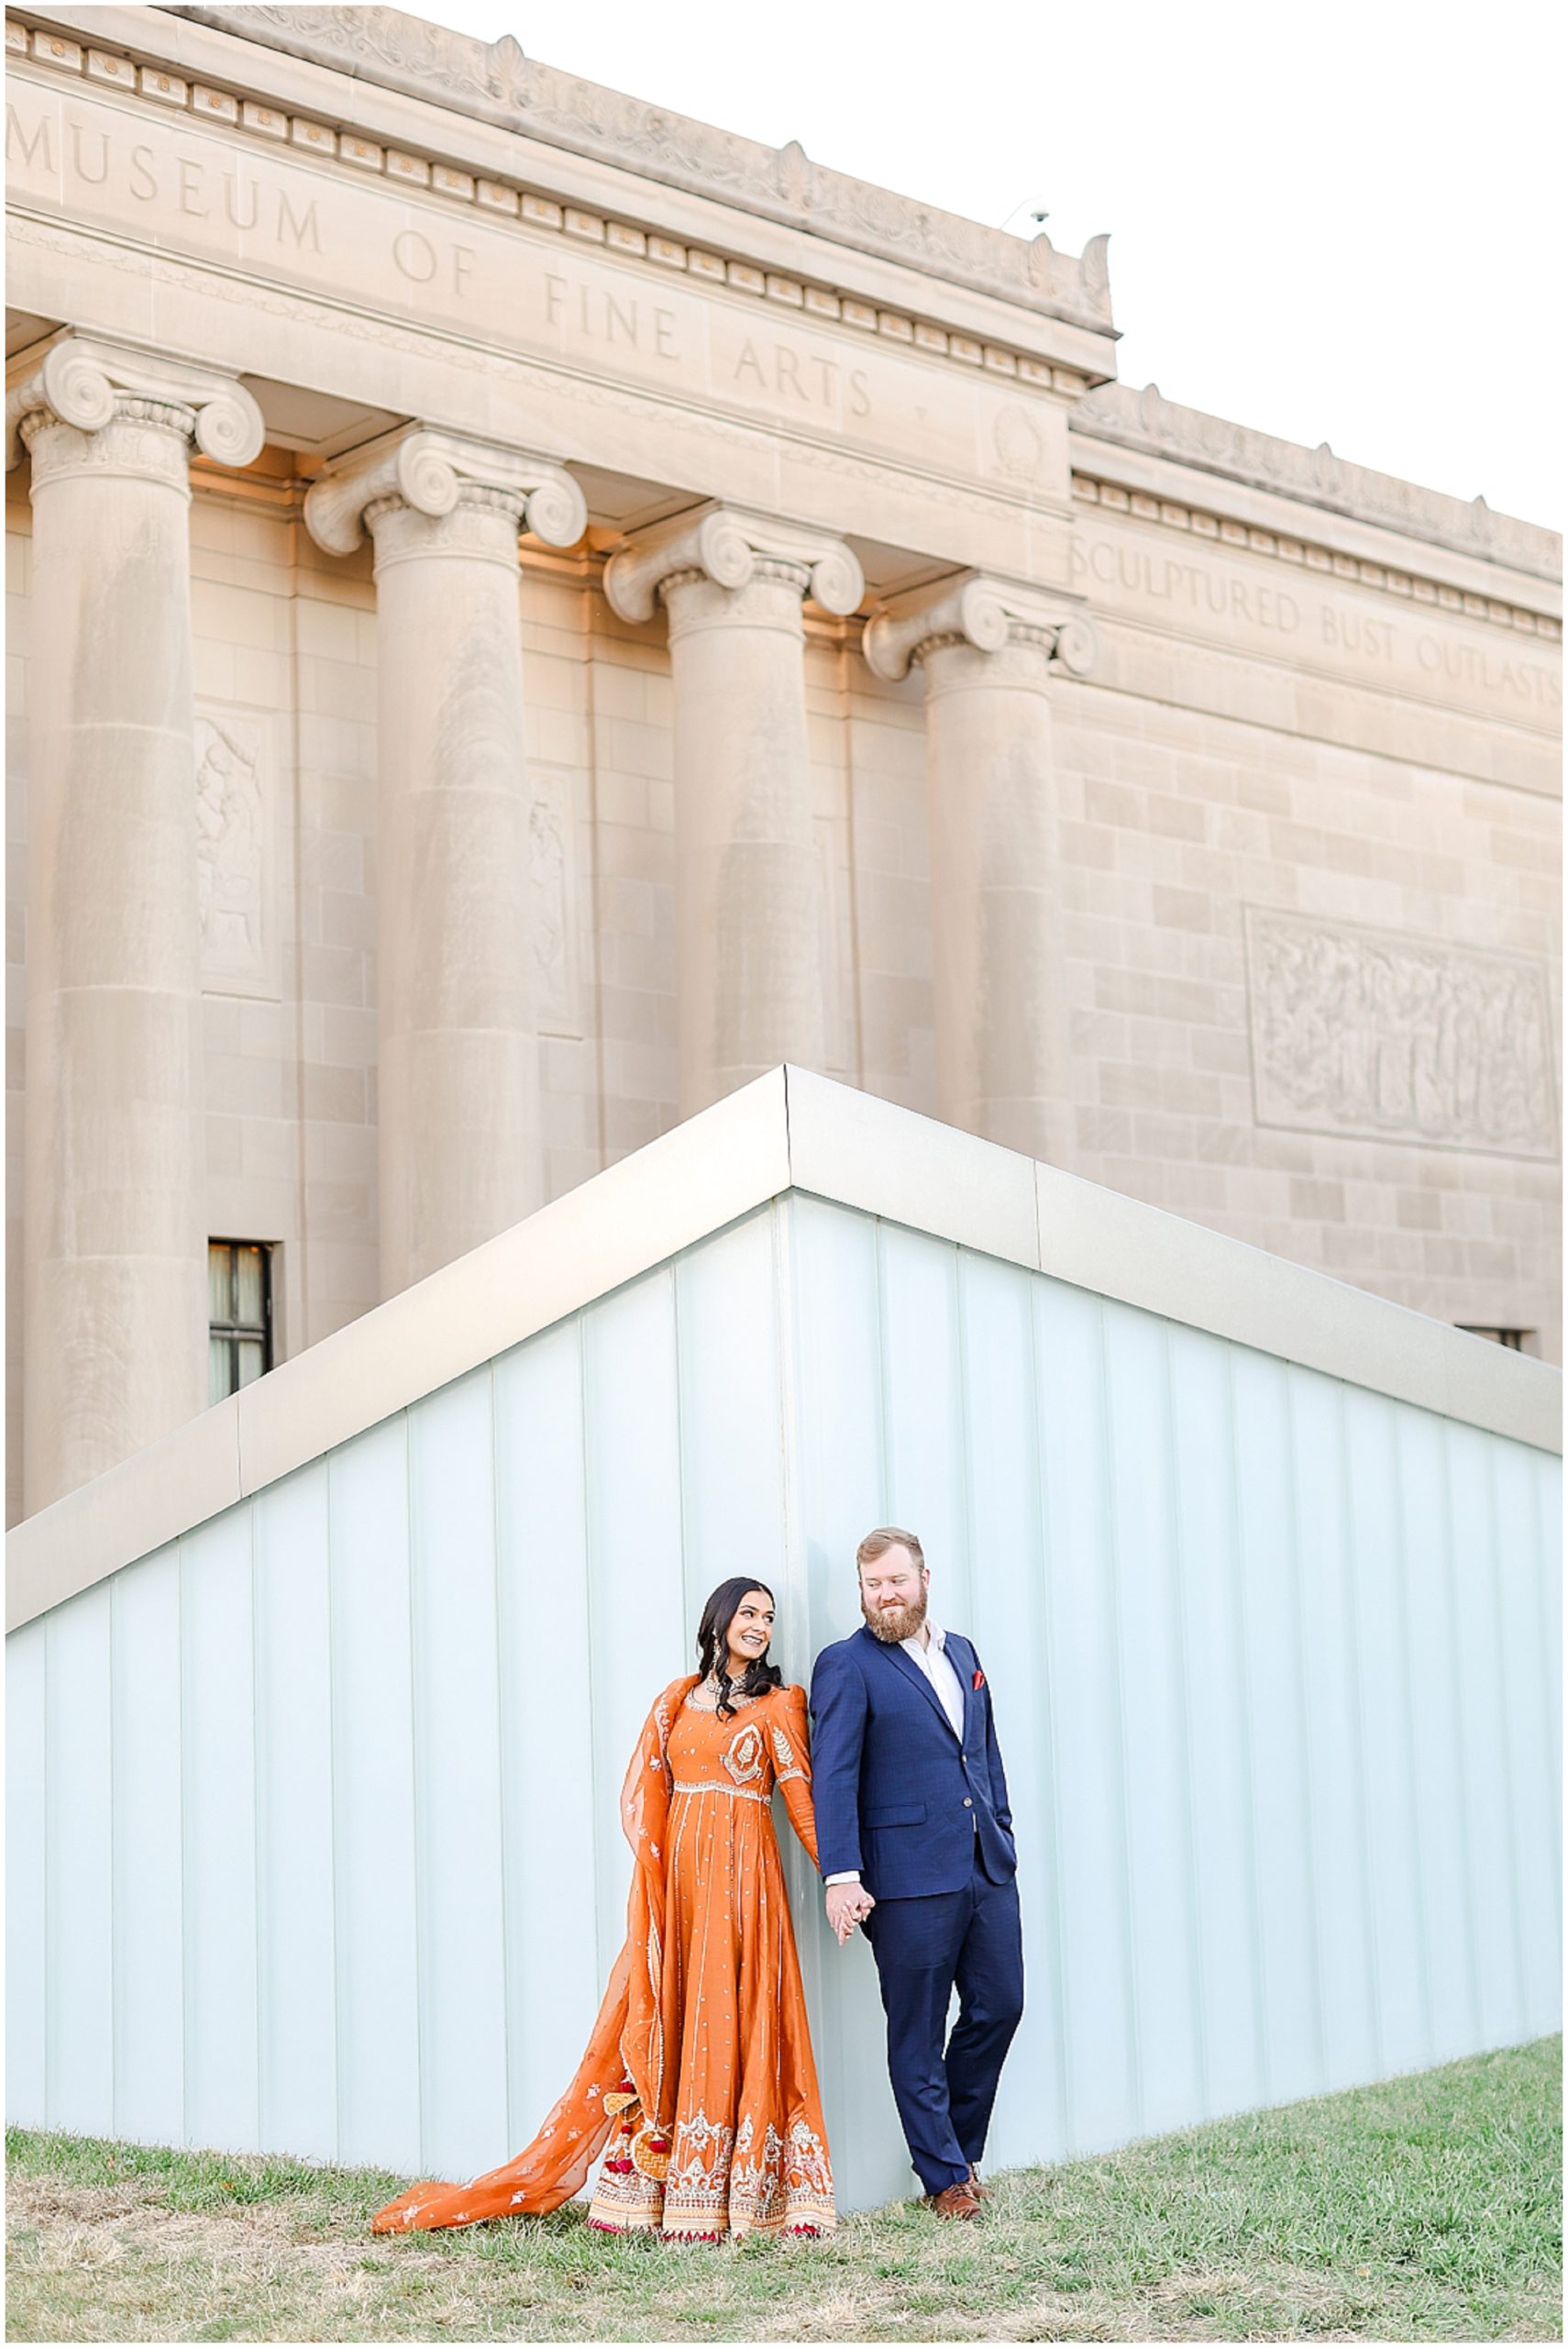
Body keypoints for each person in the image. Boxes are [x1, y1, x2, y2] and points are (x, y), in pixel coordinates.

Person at [371, 1578, 835, 2242]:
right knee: (672, 2019)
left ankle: (736, 2197)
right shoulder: (675, 1701)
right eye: (748, 1613)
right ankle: (655, 2197)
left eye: (769, 1616)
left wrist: (842, 1878)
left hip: (743, 1894)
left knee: (737, 2016)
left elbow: (803, 1804)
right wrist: (656, 1890)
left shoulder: (781, 1703)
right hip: (676, 1897)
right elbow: (647, 1802)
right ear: (718, 1621)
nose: (760, 1625)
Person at [810, 1527, 1023, 2221]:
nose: (885, 1596)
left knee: (1000, 2007)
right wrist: (842, 1873)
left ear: (924, 1578)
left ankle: (956, 2149)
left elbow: (982, 1754)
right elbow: (834, 1777)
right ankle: (946, 2180)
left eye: (896, 1582)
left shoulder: (962, 1653)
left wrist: (1003, 1829)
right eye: (872, 1585)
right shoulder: (847, 1664)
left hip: (984, 1867)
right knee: (917, 2032)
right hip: (904, 1883)